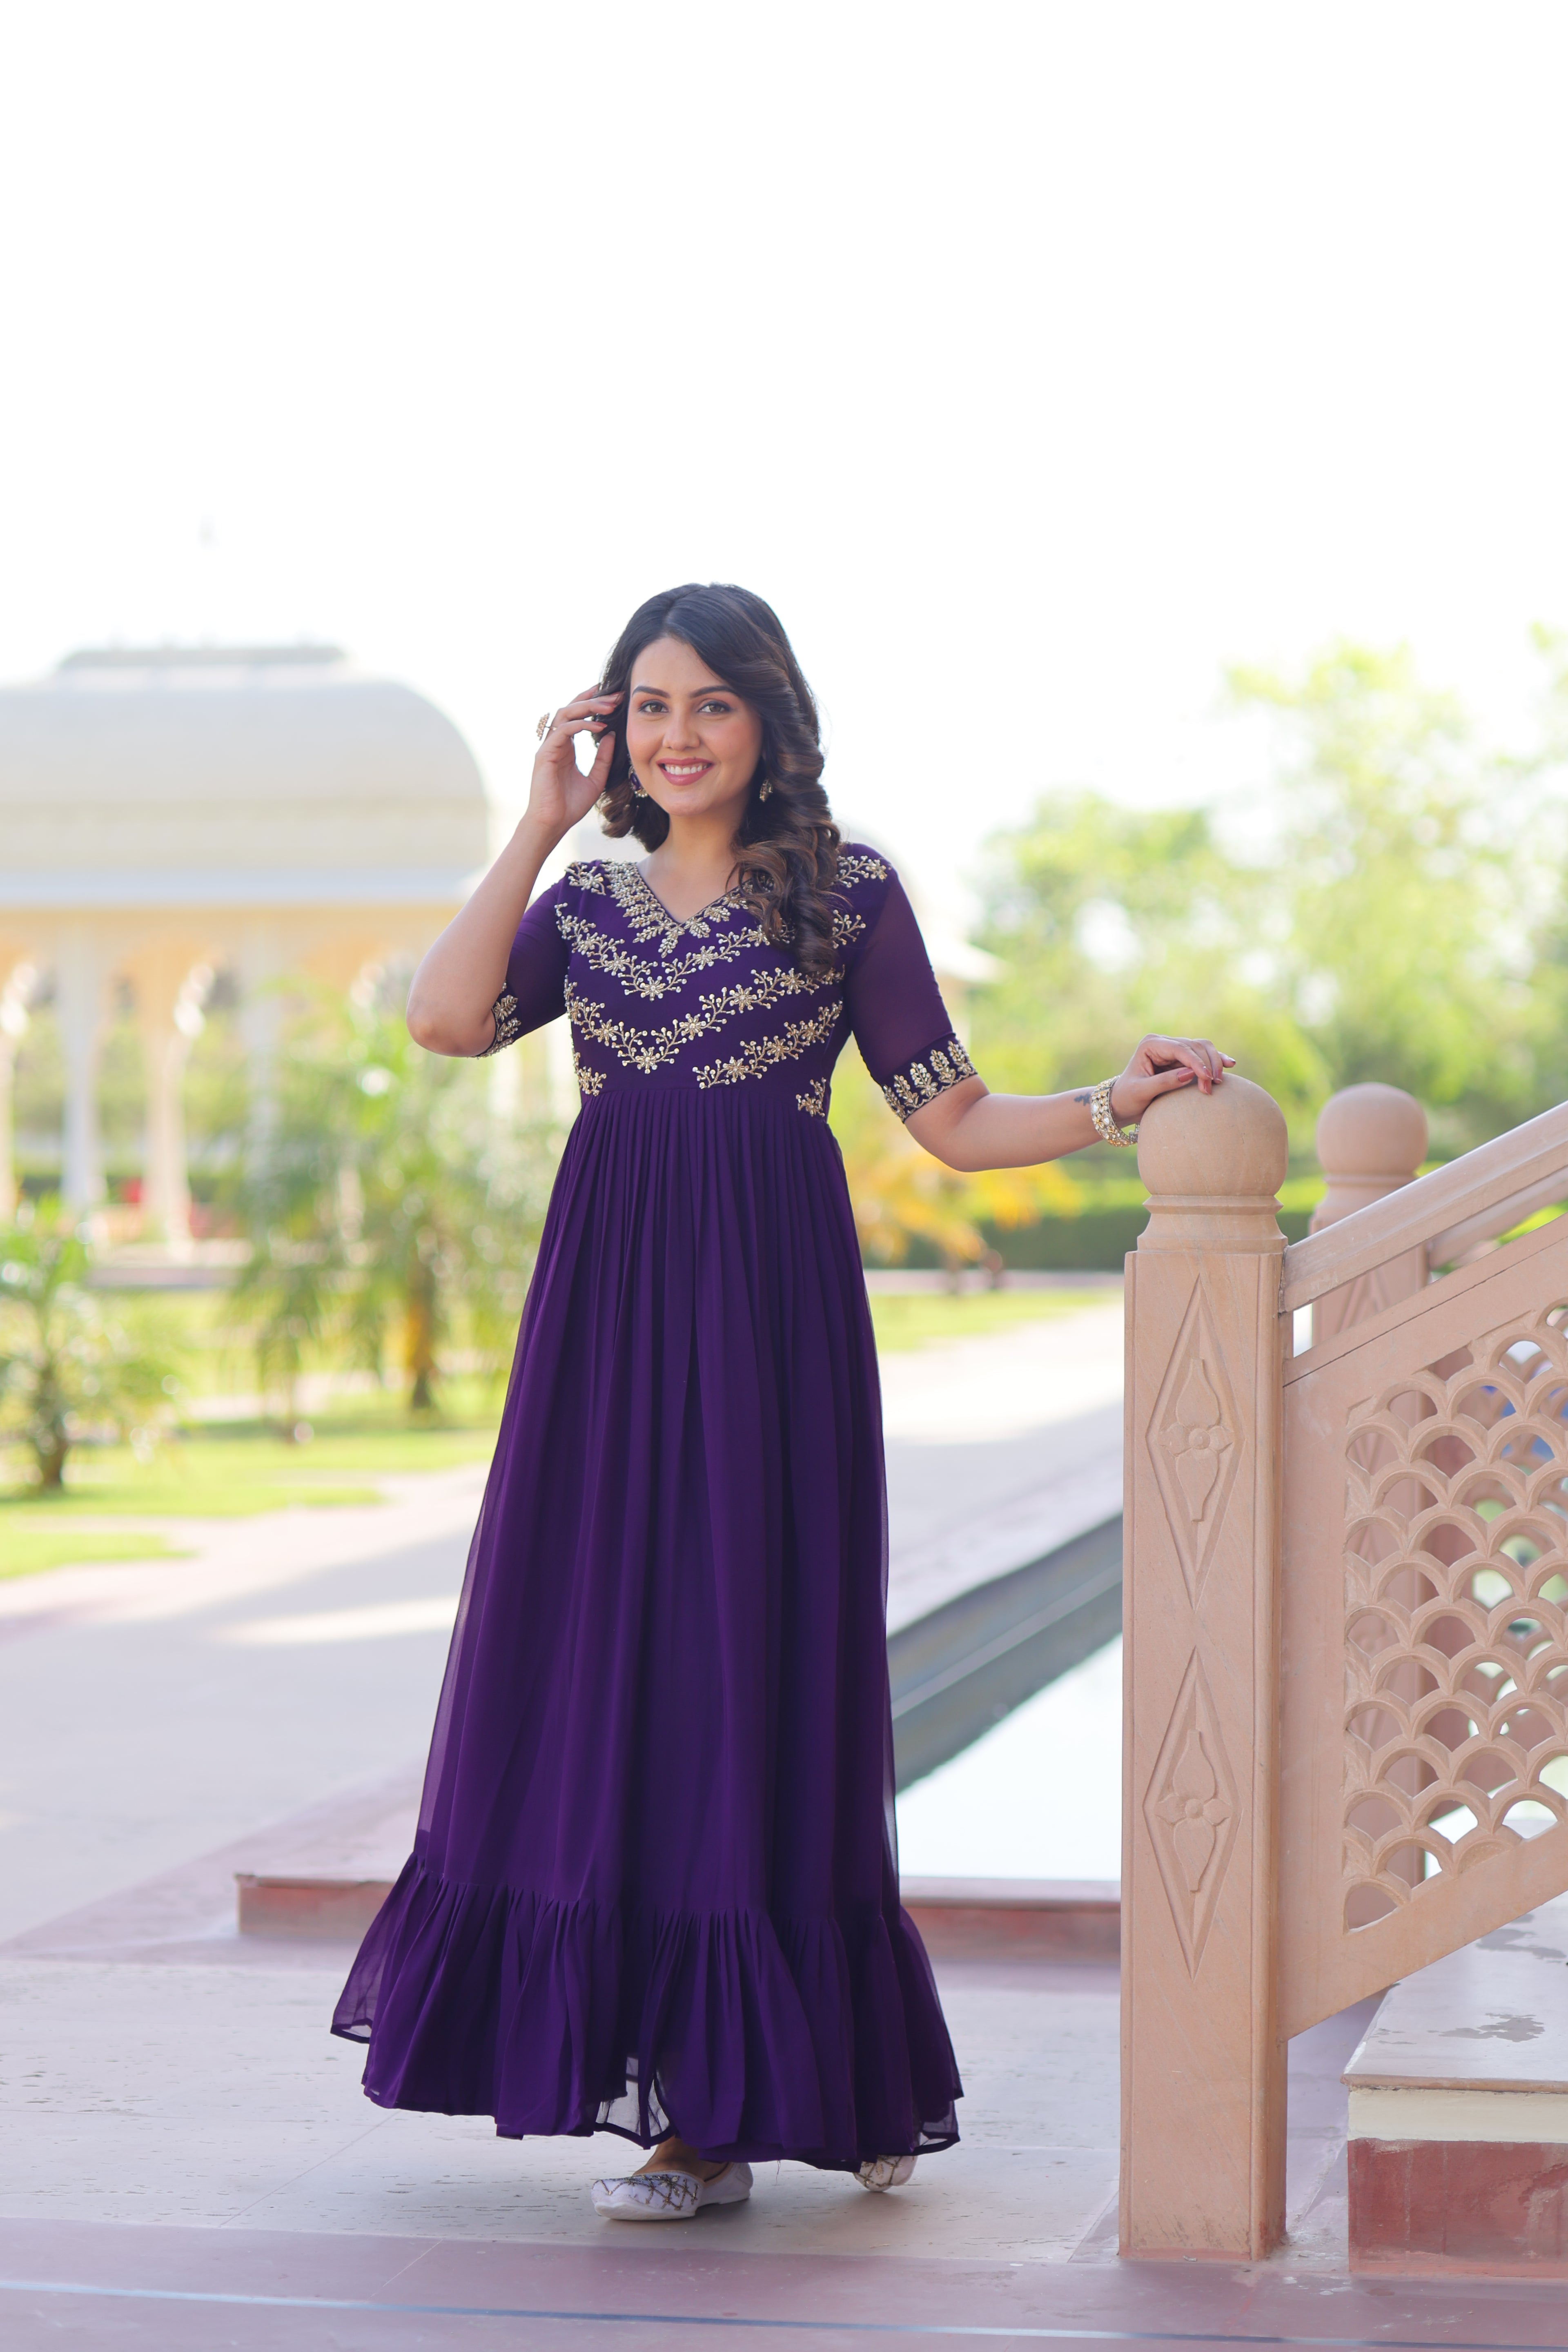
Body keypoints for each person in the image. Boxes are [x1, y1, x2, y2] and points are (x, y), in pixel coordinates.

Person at [331, 581, 1231, 2223]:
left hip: (767, 1334)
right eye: (649, 706)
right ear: (611, 728)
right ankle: (711, 2097)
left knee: (748, 1674)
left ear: (770, 722)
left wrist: (1118, 1101)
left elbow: (952, 1120)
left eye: (712, 705)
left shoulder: (846, 894)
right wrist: (534, 825)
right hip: (606, 1339)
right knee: (609, 1666)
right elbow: (445, 1020)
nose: (678, 736)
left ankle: (762, 2100)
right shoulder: (585, 905)